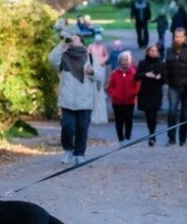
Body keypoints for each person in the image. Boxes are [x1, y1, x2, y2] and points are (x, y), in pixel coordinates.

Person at [49, 34, 104, 165]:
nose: (73, 40)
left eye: (75, 38)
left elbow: (100, 75)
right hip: (67, 100)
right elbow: (51, 60)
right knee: (67, 127)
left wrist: (92, 72)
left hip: (85, 100)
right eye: (71, 38)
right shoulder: (63, 57)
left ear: (81, 42)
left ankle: (80, 154)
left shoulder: (89, 57)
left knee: (82, 128)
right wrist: (63, 44)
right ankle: (68, 150)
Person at [163, 27, 187, 146]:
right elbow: (165, 67)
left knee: (185, 113)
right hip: (173, 85)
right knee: (172, 112)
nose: (178, 39)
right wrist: (165, 83)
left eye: (180, 36)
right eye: (176, 36)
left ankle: (183, 140)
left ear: (185, 38)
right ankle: (171, 138)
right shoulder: (168, 51)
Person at [135, 43, 165, 146]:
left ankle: (152, 135)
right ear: (147, 51)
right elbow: (136, 76)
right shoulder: (142, 63)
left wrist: (160, 77)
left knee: (153, 114)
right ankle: (151, 133)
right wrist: (145, 74)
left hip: (156, 92)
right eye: (151, 51)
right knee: (148, 115)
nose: (153, 53)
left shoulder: (161, 64)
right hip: (145, 92)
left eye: (155, 51)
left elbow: (165, 78)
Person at [107, 51, 139, 144]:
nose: (124, 62)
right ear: (119, 61)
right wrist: (114, 94)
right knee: (119, 121)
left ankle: (128, 138)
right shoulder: (114, 73)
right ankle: (120, 139)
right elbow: (110, 87)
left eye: (126, 60)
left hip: (130, 101)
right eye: (122, 60)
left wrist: (133, 93)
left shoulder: (133, 73)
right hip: (117, 102)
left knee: (128, 120)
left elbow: (137, 86)